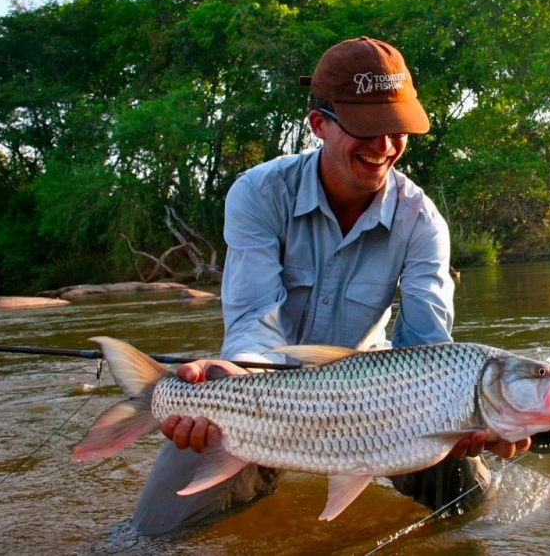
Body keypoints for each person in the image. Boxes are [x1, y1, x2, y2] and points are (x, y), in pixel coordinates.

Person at [131, 36, 529, 535]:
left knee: (475, 509)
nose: (384, 146)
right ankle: (255, 464)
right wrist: (229, 379)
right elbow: (254, 321)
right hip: (259, 393)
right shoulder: (258, 193)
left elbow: (429, 348)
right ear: (318, 124)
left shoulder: (422, 221)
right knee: (152, 535)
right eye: (366, 128)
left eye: (397, 127)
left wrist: (474, 417)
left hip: (383, 401)